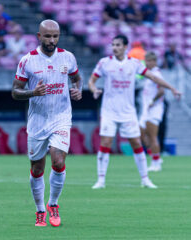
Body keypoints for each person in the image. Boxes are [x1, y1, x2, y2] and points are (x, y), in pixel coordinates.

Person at [11, 19, 82, 227]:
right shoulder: (27, 61)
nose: (52, 40)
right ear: (39, 36)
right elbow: (15, 92)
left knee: (58, 161)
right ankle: (39, 209)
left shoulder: (68, 57)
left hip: (61, 117)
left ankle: (53, 204)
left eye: (55, 36)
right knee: (37, 168)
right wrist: (33, 92)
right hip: (37, 121)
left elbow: (77, 78)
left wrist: (78, 89)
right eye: (48, 36)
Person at [88, 35, 181, 189]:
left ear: (125, 47)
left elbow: (153, 77)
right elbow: (91, 81)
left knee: (137, 143)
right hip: (109, 111)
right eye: (113, 45)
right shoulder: (104, 63)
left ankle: (145, 179)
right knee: (105, 143)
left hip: (128, 112)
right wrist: (94, 89)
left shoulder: (134, 64)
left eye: (118, 45)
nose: (115, 47)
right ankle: (101, 180)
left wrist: (171, 88)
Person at [139, 52, 165, 171]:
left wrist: (152, 102)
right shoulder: (149, 75)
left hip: (154, 109)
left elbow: (161, 91)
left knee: (153, 136)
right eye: (146, 61)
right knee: (141, 135)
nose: (147, 63)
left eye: (149, 61)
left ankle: (156, 163)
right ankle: (155, 156)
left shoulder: (156, 74)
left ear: (154, 61)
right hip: (146, 110)